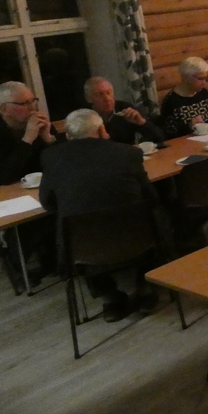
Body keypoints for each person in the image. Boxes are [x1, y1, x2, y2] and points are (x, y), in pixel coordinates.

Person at [39, 109, 162, 322]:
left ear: (68, 136)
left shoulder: (51, 156)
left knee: (73, 226)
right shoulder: (128, 153)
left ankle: (109, 297)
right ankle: (145, 287)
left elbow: (48, 203)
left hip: (84, 250)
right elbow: (152, 197)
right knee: (153, 214)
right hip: (137, 239)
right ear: (102, 130)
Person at [0, 81, 56, 190]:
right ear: (4, 109)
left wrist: (48, 139)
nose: (32, 107)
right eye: (24, 103)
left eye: (33, 101)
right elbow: (5, 177)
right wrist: (27, 140)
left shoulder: (40, 125)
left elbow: (64, 165)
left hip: (36, 189)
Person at [160, 57, 208, 139]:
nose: (204, 83)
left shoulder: (203, 93)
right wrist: (189, 126)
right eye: (200, 79)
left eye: (206, 78)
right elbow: (169, 135)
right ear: (185, 77)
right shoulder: (172, 101)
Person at [84, 76, 165, 144]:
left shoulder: (125, 108)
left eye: (109, 93)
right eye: (100, 94)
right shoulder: (84, 117)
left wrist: (142, 123)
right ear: (88, 98)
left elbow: (159, 138)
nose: (107, 99)